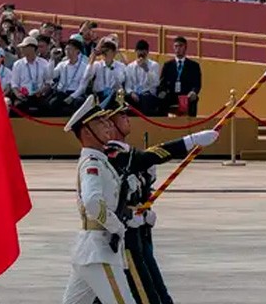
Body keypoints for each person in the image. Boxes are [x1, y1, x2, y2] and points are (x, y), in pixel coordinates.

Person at [103, 93, 218, 304]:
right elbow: (146, 158)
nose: (127, 118)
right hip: (124, 239)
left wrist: (145, 208)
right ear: (110, 123)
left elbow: (138, 185)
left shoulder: (128, 154)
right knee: (145, 295)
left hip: (140, 234)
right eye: (122, 115)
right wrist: (190, 141)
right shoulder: (111, 154)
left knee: (157, 293)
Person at [59, 94, 134, 304]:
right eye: (99, 122)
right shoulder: (92, 163)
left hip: (91, 250)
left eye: (106, 120)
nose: (108, 125)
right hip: (99, 250)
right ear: (86, 132)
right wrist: (116, 226)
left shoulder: (101, 161)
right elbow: (92, 202)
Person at [156, 37, 202, 116]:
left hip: (185, 95)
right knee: (161, 99)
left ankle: (191, 122)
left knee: (193, 99)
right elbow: (162, 83)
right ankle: (162, 122)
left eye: (180, 46)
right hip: (171, 95)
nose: (178, 49)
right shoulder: (168, 65)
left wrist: (193, 92)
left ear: (185, 47)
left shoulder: (194, 66)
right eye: (176, 46)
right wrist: (163, 91)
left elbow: (197, 84)